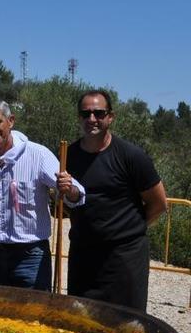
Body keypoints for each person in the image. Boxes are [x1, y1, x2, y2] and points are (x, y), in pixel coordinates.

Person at [0, 97, 84, 291]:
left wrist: (69, 189)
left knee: (33, 314)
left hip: (31, 255)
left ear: (11, 121)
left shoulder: (37, 155)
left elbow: (75, 193)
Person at [67, 90, 167, 311]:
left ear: (110, 116)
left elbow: (159, 203)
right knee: (81, 321)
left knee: (127, 323)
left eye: (98, 113)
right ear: (79, 118)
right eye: (86, 114)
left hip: (124, 258)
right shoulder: (69, 155)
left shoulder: (131, 156)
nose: (92, 119)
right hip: (83, 255)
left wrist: (128, 230)